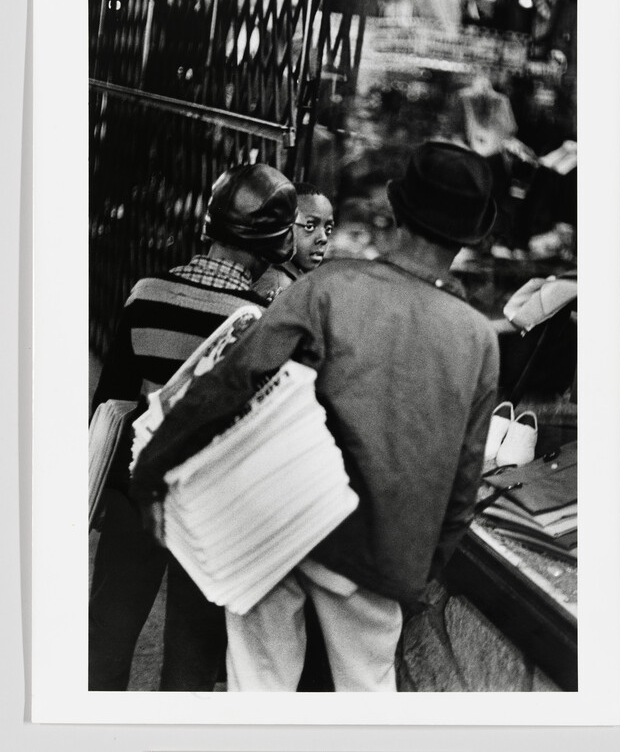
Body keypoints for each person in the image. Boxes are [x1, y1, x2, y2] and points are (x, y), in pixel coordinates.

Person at [130, 141, 501, 692]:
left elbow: (233, 381)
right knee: (365, 695)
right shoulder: (477, 338)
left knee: (258, 684)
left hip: (282, 518)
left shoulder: (327, 287)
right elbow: (465, 478)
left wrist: (153, 469)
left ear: (394, 211)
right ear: (472, 237)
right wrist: (426, 566)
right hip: (379, 546)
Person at [89, 163, 297, 691]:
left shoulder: (145, 294)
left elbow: (111, 400)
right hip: (210, 507)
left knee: (107, 629)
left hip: (135, 489)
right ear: (274, 243)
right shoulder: (259, 324)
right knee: (193, 650)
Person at [254, 182, 335, 302]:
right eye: (309, 226)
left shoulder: (293, 279)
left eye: (328, 229)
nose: (323, 238)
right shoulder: (276, 283)